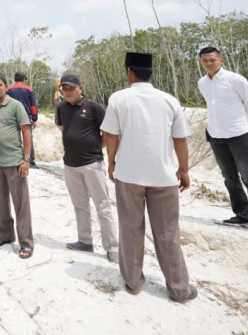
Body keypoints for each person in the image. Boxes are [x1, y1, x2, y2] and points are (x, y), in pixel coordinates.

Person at [101, 52, 197, 302]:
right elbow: (180, 139)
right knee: (167, 233)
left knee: (131, 228)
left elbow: (111, 135)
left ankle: (133, 282)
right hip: (163, 176)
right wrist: (183, 170)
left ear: (129, 72)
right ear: (150, 73)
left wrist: (111, 162)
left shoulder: (119, 98)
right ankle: (179, 289)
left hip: (129, 175)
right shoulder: (169, 100)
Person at [197, 46, 248, 235]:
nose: (209, 63)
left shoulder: (235, 79)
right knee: (230, 178)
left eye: (212, 60)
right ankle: (243, 214)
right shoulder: (203, 83)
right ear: (201, 62)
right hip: (216, 136)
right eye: (205, 60)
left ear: (221, 60)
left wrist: (240, 126)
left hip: (238, 135)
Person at [55, 73, 119, 263]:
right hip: (70, 164)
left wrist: (96, 147)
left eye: (71, 88)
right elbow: (63, 129)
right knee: (79, 205)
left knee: (103, 205)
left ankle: (112, 246)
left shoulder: (93, 107)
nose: (68, 92)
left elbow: (107, 132)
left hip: (91, 163)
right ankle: (85, 240)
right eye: (64, 89)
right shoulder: (61, 108)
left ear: (80, 88)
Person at [0, 73, 34, 259]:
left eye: (0, 85)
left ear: (6, 86)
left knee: (21, 205)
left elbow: (26, 132)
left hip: (14, 163)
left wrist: (26, 159)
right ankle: (5, 235)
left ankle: (26, 243)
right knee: (0, 202)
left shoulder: (15, 106)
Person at [6, 72, 39, 168]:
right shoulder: (29, 89)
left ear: (15, 79)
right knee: (28, 138)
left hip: (12, 116)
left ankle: (12, 159)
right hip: (26, 116)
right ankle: (31, 161)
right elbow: (33, 105)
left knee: (12, 138)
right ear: (24, 79)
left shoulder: (9, 90)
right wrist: (34, 118)